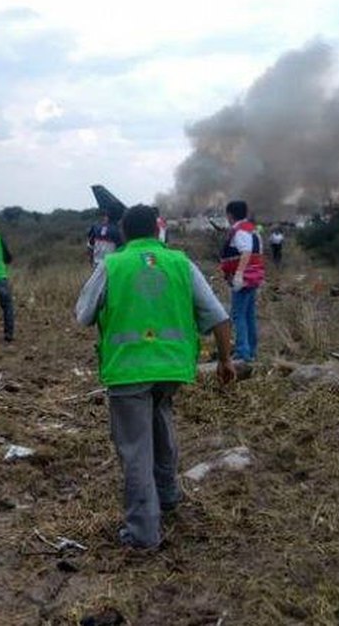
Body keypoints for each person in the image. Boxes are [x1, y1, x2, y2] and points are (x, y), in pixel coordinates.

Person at [76, 204, 235, 550]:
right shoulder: (181, 263)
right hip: (173, 369)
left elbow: (83, 315)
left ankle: (143, 533)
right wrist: (225, 361)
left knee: (135, 450)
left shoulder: (112, 265)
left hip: (127, 370)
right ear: (157, 229)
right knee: (161, 423)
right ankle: (168, 496)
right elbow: (219, 317)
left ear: (124, 232)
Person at [219, 200, 266, 362]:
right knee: (249, 314)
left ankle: (243, 353)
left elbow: (246, 252)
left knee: (238, 315)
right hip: (254, 277)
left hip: (244, 279)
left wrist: (239, 274)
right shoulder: (252, 230)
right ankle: (251, 351)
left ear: (230, 215)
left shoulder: (239, 231)